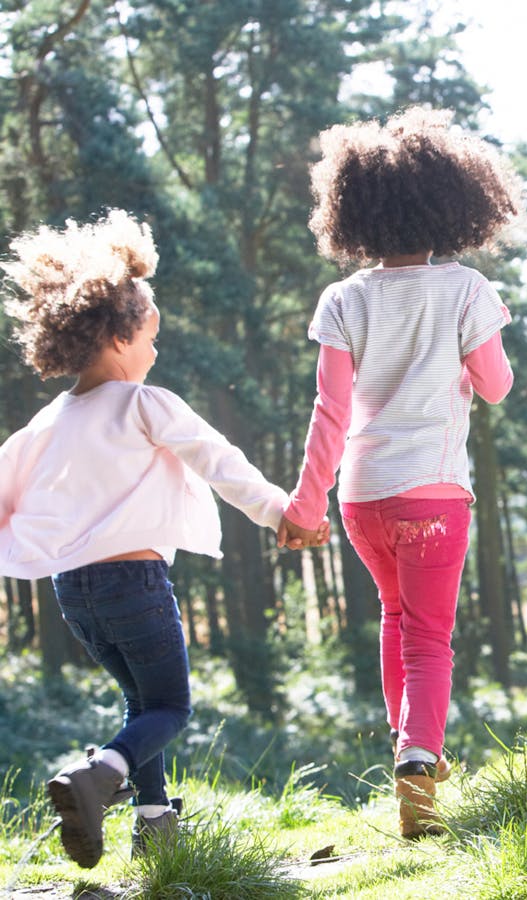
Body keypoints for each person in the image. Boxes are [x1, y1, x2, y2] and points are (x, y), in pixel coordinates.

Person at [0, 210, 324, 868]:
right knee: (171, 706)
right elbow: (221, 461)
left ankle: (153, 826)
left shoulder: (49, 420)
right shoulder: (146, 403)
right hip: (135, 586)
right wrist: (281, 514)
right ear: (120, 336)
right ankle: (97, 777)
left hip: (74, 596)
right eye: (151, 336)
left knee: (140, 700)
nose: (155, 351)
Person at [279, 107, 520, 838]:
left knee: (395, 617)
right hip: (435, 494)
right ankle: (420, 758)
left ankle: (410, 745)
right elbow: (498, 384)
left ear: (354, 214)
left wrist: (304, 502)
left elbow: (330, 411)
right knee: (429, 637)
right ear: (453, 203)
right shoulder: (465, 290)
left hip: (361, 499)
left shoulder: (344, 298)